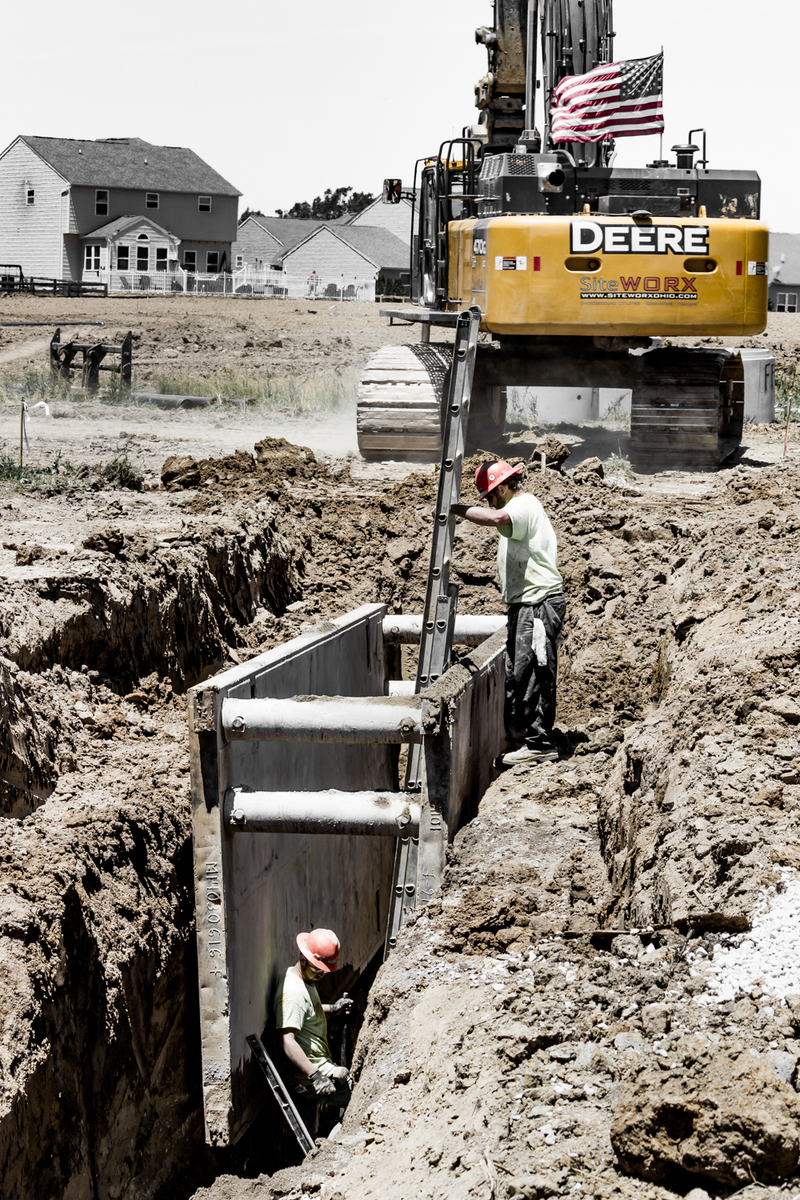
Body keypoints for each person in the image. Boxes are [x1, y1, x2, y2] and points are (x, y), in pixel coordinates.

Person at [451, 460, 566, 766]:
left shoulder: (524, 505)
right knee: (520, 673)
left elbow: (496, 516)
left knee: (534, 673)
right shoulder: (519, 512)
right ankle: (525, 741)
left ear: (501, 488)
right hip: (526, 604)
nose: (488, 502)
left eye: (489, 495)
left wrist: (456, 509)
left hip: (538, 603)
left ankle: (539, 743)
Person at [274, 928, 354, 1114]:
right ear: (303, 959)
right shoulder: (292, 994)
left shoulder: (302, 978)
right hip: (309, 1078)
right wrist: (316, 1075)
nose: (321, 975)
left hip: (315, 1067)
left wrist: (333, 1009)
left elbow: (308, 1009)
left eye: (324, 971)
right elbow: (287, 1042)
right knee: (358, 1102)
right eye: (317, 970)